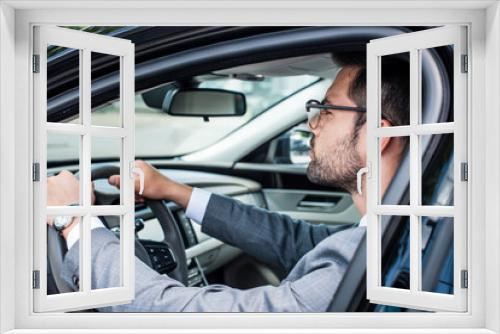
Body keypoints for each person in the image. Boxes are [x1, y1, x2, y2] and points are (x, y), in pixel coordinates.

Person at [46, 54, 409, 312]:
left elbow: (188, 316)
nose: (311, 125)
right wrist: (177, 192)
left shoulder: (376, 251)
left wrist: (76, 223)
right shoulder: (391, 233)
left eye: (326, 111)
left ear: (377, 136)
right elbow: (296, 241)